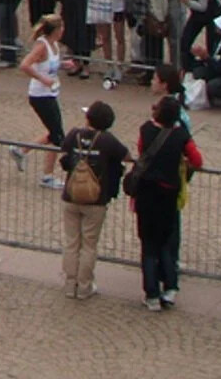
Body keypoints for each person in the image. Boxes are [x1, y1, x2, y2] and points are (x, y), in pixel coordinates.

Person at [132, 95, 202, 310]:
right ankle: (170, 287)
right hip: (168, 193)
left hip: (146, 192)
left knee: (148, 245)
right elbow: (197, 160)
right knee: (165, 243)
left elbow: (141, 151)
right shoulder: (181, 135)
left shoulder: (146, 130)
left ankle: (151, 293)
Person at [58, 99, 131, 300]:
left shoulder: (74, 134)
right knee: (89, 245)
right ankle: (84, 286)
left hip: (71, 195)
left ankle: (69, 284)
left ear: (88, 117)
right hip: (96, 199)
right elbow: (127, 156)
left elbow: (63, 152)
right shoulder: (107, 141)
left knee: (72, 243)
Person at [15, 14, 68, 189]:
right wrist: (42, 79)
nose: (63, 31)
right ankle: (47, 175)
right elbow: (25, 65)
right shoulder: (42, 45)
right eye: (61, 28)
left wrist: (64, 65)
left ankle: (21, 150)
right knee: (57, 136)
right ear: (56, 30)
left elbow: (48, 65)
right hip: (40, 96)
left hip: (50, 94)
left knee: (54, 133)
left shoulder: (54, 45)